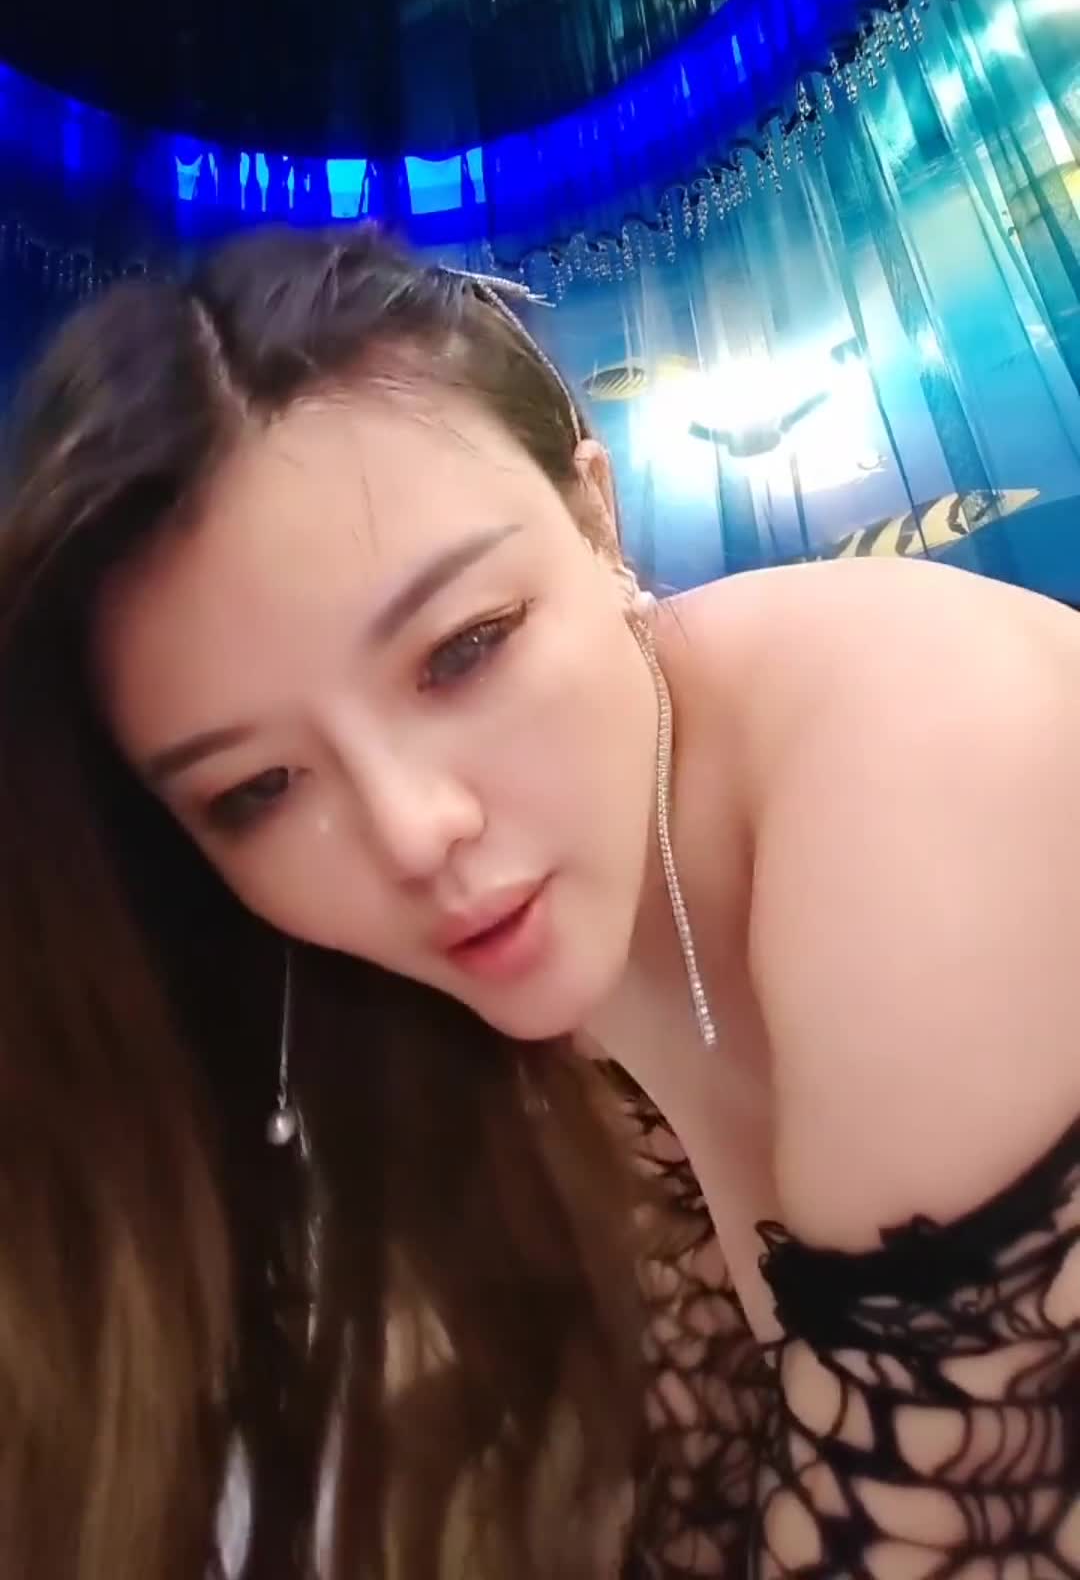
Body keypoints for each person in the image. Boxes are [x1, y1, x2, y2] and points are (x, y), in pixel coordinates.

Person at [2, 222, 1080, 1580]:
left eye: (464, 650)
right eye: (257, 790)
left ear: (595, 515)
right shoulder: (546, 955)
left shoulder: (933, 765)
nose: (414, 832)